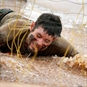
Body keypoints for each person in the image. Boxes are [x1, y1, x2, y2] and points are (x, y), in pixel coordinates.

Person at [0, 8, 78, 57]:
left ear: (53, 39)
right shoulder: (9, 32)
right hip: (4, 16)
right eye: (38, 36)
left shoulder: (58, 44)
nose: (39, 43)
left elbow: (79, 58)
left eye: (46, 41)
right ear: (32, 27)